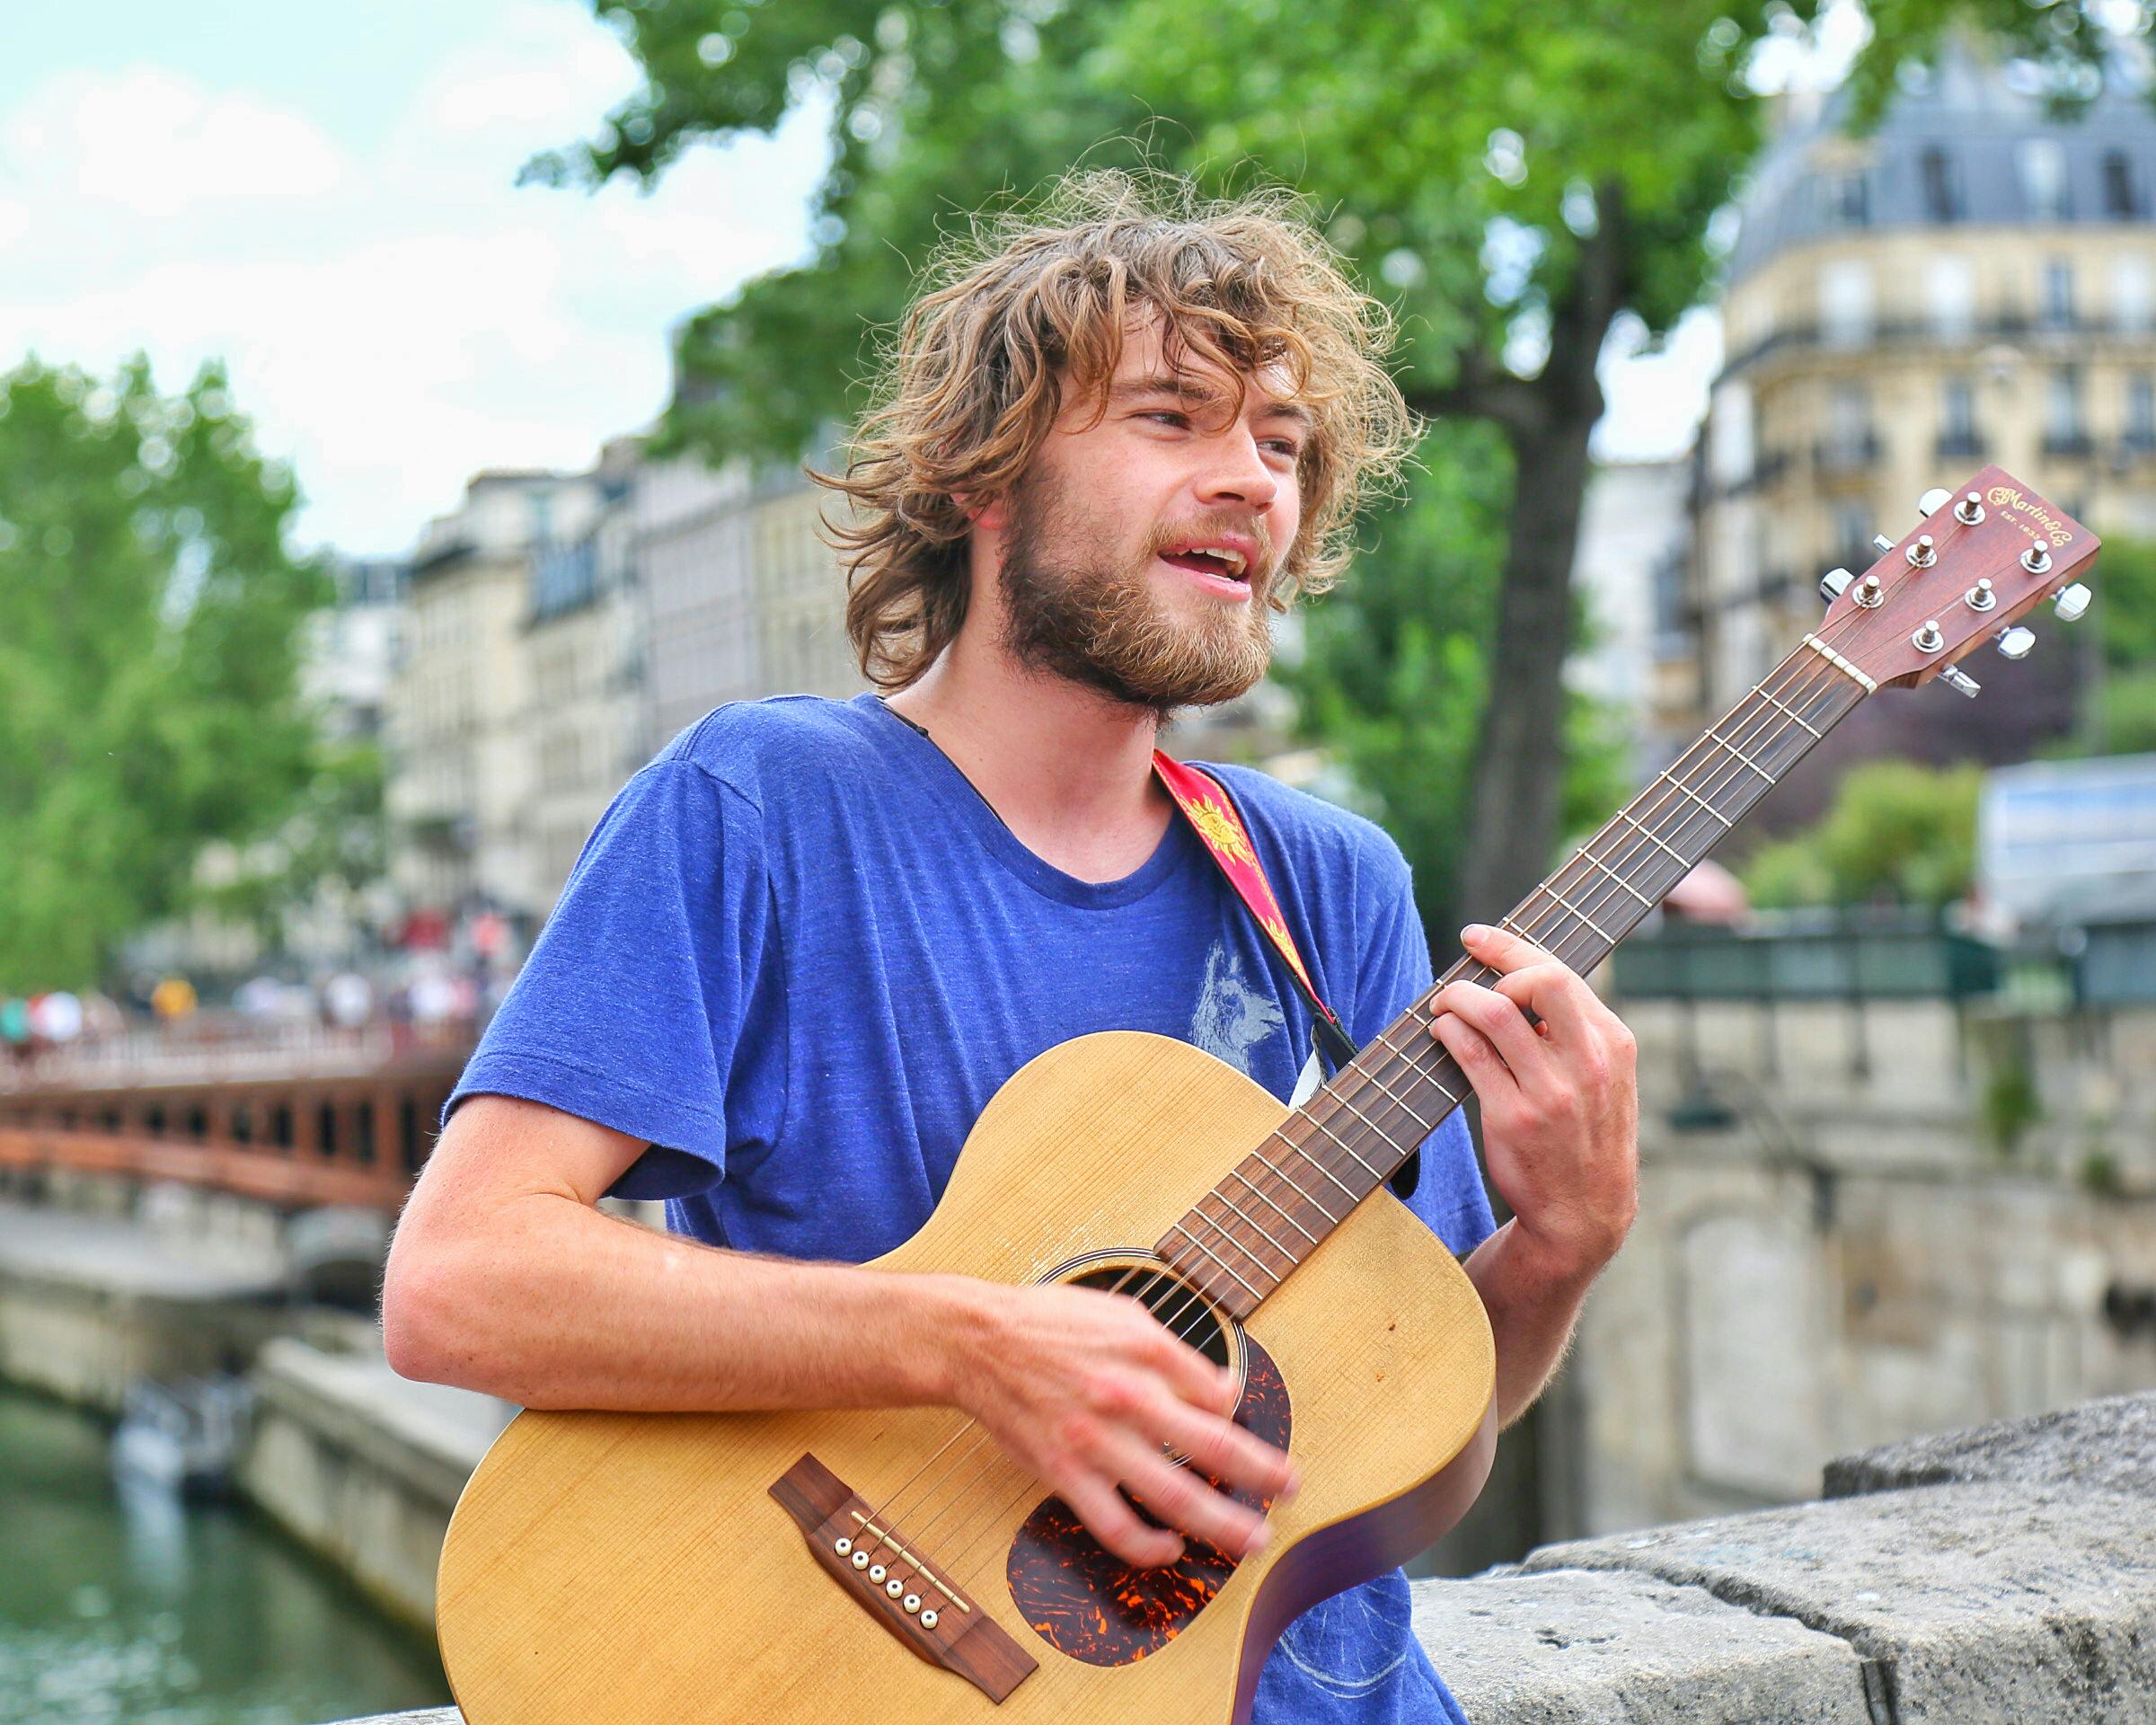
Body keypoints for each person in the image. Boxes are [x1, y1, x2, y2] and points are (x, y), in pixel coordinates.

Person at [381, 172, 1639, 1724]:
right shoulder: (760, 804)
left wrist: (1563, 1248)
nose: (1252, 479)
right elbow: (460, 1285)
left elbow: (1397, 1443)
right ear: (986, 481)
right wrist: (970, 1345)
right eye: (1174, 419)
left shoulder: (1333, 886)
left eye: (1284, 444)